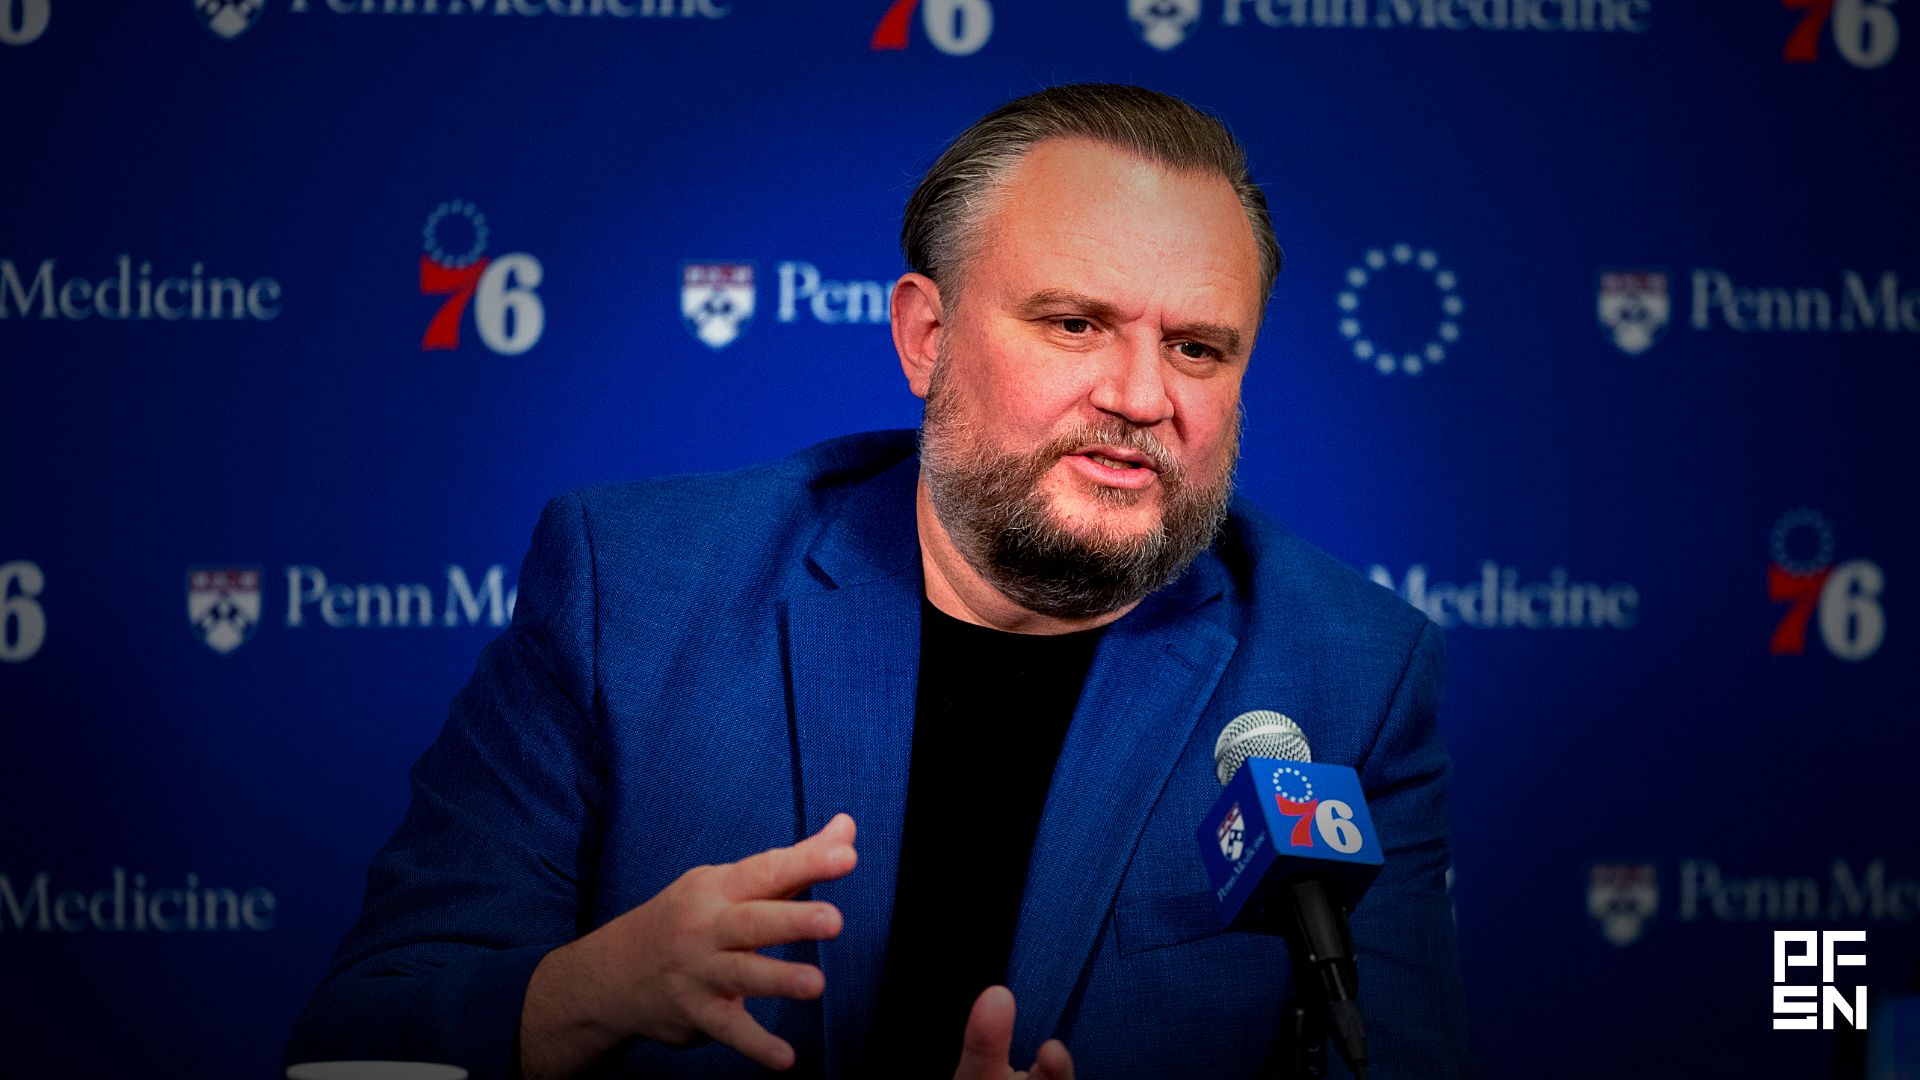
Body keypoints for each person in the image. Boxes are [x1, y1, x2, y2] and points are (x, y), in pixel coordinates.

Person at [287, 84, 1473, 1079]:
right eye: (1072, 324)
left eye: (1198, 349)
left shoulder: (1343, 675)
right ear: (925, 337)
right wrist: (587, 991)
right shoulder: (636, 594)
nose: (1142, 395)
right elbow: (357, 1039)